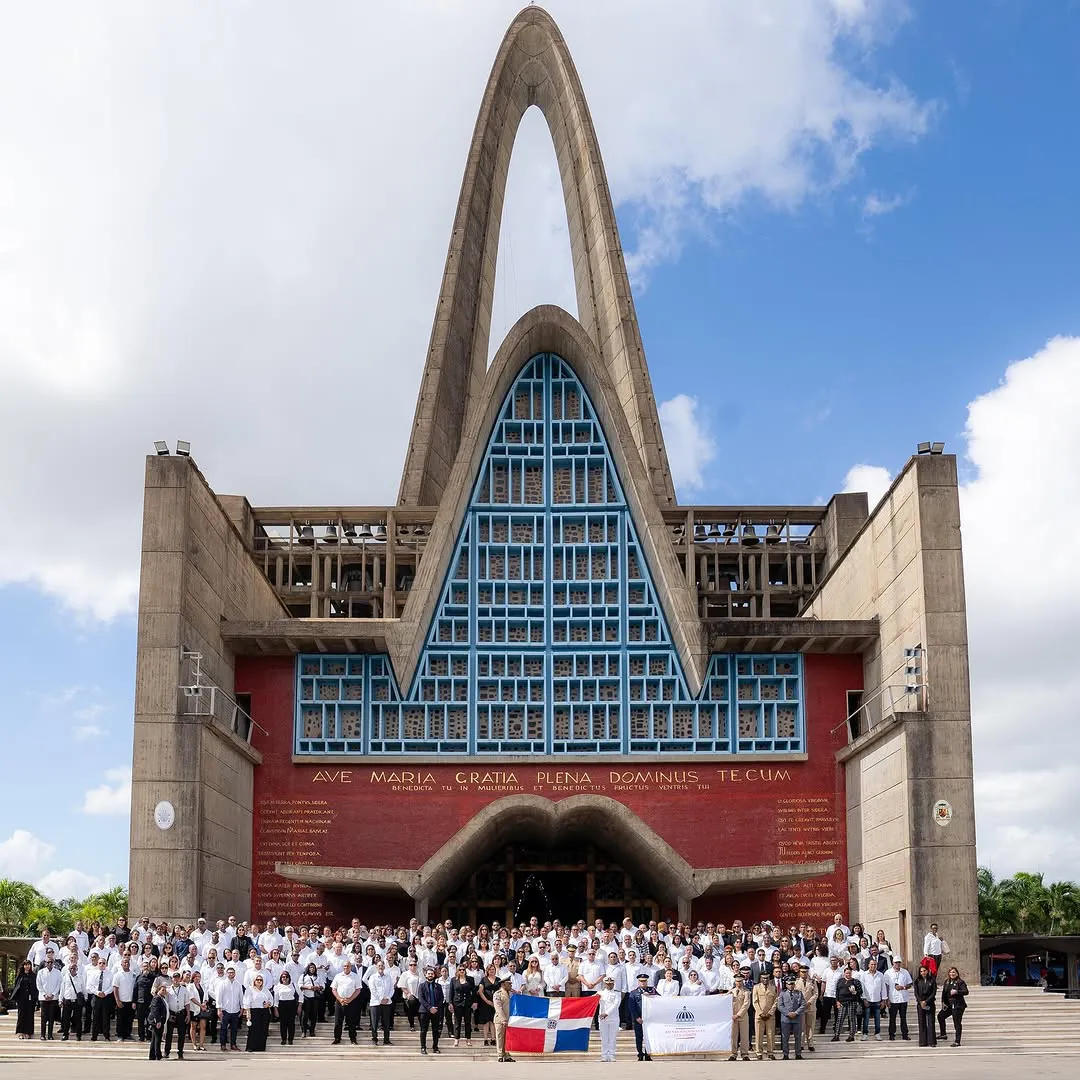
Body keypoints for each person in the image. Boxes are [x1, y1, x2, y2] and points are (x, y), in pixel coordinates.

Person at [331, 959, 361, 1044]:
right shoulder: (338, 976)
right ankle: (337, 1038)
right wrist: (340, 999)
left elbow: (358, 990)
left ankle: (353, 1039)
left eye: (348, 966)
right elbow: (334, 989)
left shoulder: (355, 976)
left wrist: (350, 999)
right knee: (338, 1022)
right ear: (342, 967)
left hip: (351, 1001)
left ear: (350, 967)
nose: (346, 967)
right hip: (339, 1001)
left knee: (351, 1021)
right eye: (344, 966)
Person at [418, 965, 446, 1055]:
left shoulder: (438, 986)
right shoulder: (421, 986)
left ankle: (435, 1047)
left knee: (435, 1030)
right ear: (426, 975)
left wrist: (436, 1008)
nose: (430, 975)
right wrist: (429, 1008)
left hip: (436, 1011)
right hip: (425, 1011)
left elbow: (441, 998)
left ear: (434, 975)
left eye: (432, 974)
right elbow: (421, 999)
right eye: (428, 974)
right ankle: (423, 1047)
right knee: (423, 1030)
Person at [366, 959, 395, 1045]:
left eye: (382, 966)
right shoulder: (373, 977)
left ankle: (386, 1039)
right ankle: (374, 1039)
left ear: (384, 967)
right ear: (376, 967)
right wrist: (380, 999)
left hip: (387, 1002)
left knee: (386, 1022)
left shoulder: (388, 977)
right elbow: (373, 990)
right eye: (379, 966)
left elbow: (391, 989)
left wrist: (387, 998)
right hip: (375, 1003)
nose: (381, 967)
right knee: (375, 1023)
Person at [628, 972, 655, 1061]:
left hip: (649, 1019)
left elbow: (659, 1000)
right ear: (638, 982)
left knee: (649, 1037)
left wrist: (651, 996)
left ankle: (648, 1054)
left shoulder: (652, 990)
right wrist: (636, 1018)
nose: (643, 983)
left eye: (644, 981)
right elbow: (631, 1007)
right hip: (639, 1019)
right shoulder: (633, 992)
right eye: (641, 981)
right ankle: (640, 1054)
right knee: (639, 1037)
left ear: (647, 982)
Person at [938, 966, 968, 1046]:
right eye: (951, 972)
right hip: (949, 1005)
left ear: (957, 973)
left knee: (957, 1022)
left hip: (958, 1005)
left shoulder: (960, 982)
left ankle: (957, 1041)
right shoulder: (947, 981)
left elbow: (966, 991)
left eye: (954, 972)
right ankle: (943, 1034)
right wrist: (943, 1002)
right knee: (940, 1016)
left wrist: (957, 992)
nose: (952, 974)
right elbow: (944, 993)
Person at [777, 974, 805, 1060]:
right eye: (789, 984)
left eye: (792, 984)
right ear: (786, 984)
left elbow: (803, 1004)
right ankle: (785, 1054)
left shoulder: (799, 993)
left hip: (796, 1018)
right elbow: (780, 1006)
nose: (791, 985)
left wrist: (796, 1013)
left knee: (798, 1037)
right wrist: (788, 1013)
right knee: (785, 1037)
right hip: (786, 1019)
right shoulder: (782, 993)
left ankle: (798, 1054)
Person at [243, 972, 274, 1051]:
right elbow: (247, 1001)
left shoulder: (265, 989)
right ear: (254, 981)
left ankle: (261, 1047)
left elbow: (271, 1000)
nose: (259, 981)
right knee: (253, 1030)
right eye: (257, 980)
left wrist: (269, 1004)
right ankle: (251, 1047)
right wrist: (248, 1012)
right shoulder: (250, 989)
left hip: (264, 1012)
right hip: (254, 1011)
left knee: (263, 1030)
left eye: (261, 980)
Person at [216, 965, 244, 1051]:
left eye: (232, 972)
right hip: (225, 1010)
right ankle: (223, 1045)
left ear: (235, 974)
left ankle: (233, 1044)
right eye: (229, 973)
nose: (231, 974)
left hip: (235, 1010)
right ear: (226, 973)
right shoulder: (222, 984)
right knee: (223, 1028)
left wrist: (242, 1008)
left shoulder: (238, 984)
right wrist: (219, 1009)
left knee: (234, 1029)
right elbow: (219, 997)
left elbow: (241, 997)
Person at [859, 956, 886, 1040]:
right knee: (866, 1018)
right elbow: (862, 987)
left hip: (877, 1000)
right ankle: (865, 1033)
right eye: (871, 964)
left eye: (874, 964)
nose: (873, 966)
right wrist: (864, 998)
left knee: (877, 1018)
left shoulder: (880, 975)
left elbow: (883, 987)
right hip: (867, 1000)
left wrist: (884, 1000)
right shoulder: (864, 975)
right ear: (868, 965)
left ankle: (877, 1033)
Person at [729, 965, 752, 1061]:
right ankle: (733, 1053)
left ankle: (745, 1054)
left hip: (742, 1016)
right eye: (737, 981)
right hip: (733, 1016)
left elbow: (746, 1004)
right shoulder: (731, 992)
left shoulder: (746, 992)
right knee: (733, 1036)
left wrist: (738, 1014)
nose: (738, 983)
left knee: (744, 1036)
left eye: (740, 981)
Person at [752, 971, 777, 1060]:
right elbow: (755, 1001)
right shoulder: (756, 987)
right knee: (759, 1034)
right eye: (763, 978)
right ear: (760, 978)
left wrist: (770, 1012)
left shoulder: (773, 988)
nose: (765, 979)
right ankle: (759, 1052)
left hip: (770, 1015)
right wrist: (760, 1012)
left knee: (770, 1034)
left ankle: (770, 1052)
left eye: (767, 978)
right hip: (759, 1015)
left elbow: (775, 1001)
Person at [36, 956, 62, 1040]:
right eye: (48, 962)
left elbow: (59, 984)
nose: (49, 964)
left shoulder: (58, 972)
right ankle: (42, 1035)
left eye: (51, 962)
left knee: (51, 1017)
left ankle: (50, 1035)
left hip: (53, 998)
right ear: (45, 963)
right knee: (43, 1017)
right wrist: (44, 994)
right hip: (43, 998)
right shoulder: (40, 972)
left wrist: (53, 994)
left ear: (53, 963)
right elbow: (39, 984)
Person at [449, 965, 476, 1046]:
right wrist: (450, 1003)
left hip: (467, 1003)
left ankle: (468, 1039)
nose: (462, 971)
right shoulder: (453, 980)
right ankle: (456, 1039)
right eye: (460, 970)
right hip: (457, 1003)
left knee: (468, 1022)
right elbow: (451, 992)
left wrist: (475, 1001)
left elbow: (474, 992)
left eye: (463, 969)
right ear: (457, 971)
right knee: (457, 1022)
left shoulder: (470, 979)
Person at [12, 959, 38, 1039]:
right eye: (26, 965)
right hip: (21, 999)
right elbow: (16, 987)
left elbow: (35, 988)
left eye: (29, 965)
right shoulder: (20, 975)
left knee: (29, 1016)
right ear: (23, 966)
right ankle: (20, 1032)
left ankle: (28, 1032)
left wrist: (35, 999)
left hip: (30, 999)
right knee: (21, 1015)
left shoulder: (33, 976)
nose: (27, 966)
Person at [59, 957, 84, 1041]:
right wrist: (60, 999)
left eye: (74, 968)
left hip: (76, 1001)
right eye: (71, 968)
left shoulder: (80, 977)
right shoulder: (65, 977)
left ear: (77, 969)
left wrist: (85, 997)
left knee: (78, 1019)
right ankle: (65, 1034)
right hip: (67, 1000)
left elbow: (83, 988)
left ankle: (78, 1035)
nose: (72, 970)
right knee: (66, 1019)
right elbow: (62, 989)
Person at [597, 975, 621, 1062]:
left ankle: (611, 1054)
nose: (609, 986)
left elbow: (616, 1004)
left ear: (613, 984)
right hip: (602, 1019)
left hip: (613, 1018)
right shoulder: (600, 993)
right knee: (604, 1037)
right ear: (604, 984)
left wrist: (606, 1013)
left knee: (612, 1037)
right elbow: (591, 1000)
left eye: (611, 984)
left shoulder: (617, 993)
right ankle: (604, 1055)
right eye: (607, 984)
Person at [833, 966, 861, 1041]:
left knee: (852, 1019)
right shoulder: (840, 981)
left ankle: (851, 1036)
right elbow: (837, 992)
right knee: (840, 1019)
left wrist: (854, 992)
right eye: (846, 973)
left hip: (852, 1002)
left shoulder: (855, 981)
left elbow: (860, 992)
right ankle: (836, 1035)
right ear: (844, 973)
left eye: (849, 973)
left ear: (851, 973)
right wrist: (837, 1001)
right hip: (842, 1003)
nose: (848, 974)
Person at [913, 963, 937, 1047]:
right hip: (920, 1004)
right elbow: (916, 993)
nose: (923, 973)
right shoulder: (917, 981)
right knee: (922, 1022)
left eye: (924, 971)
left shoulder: (932, 980)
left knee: (930, 1022)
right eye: (921, 971)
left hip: (929, 1003)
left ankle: (932, 1042)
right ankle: (923, 1042)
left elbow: (933, 993)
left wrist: (926, 1001)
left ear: (927, 971)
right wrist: (921, 1001)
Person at [273, 970, 299, 1045]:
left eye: (286, 977)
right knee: (283, 1024)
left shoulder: (293, 985)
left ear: (289, 978)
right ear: (281, 978)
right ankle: (283, 1039)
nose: (285, 978)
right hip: (282, 1005)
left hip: (291, 1004)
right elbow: (276, 998)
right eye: (283, 977)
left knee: (291, 1023)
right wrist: (275, 1008)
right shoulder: (278, 986)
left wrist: (299, 1005)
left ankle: (290, 1039)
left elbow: (300, 995)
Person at [476, 963, 499, 1046]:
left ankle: (493, 1039)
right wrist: (487, 1001)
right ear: (487, 971)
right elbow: (480, 991)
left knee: (493, 1021)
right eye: (490, 969)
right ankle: (485, 1039)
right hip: (485, 1003)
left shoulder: (498, 979)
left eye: (493, 969)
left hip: (495, 1003)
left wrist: (496, 1002)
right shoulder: (483, 979)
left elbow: (500, 991)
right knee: (486, 1022)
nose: (492, 971)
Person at [493, 975, 514, 1062]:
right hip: (500, 1020)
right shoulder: (497, 994)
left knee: (508, 1039)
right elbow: (498, 1008)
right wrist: (503, 1019)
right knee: (500, 1037)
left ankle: (507, 1055)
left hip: (509, 1019)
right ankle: (500, 1055)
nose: (510, 985)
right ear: (503, 984)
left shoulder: (511, 994)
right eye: (508, 984)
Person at [147, 984, 169, 1061]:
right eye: (162, 990)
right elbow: (155, 1010)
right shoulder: (156, 998)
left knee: (154, 1039)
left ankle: (152, 1055)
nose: (164, 991)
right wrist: (158, 1021)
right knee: (157, 1039)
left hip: (160, 1021)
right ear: (158, 990)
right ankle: (158, 1055)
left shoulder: (162, 998)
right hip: (157, 1022)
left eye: (165, 990)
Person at [299, 961, 321, 1038]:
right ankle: (304, 1031)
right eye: (311, 967)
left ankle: (312, 1031)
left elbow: (323, 986)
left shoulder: (318, 977)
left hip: (315, 997)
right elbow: (300, 986)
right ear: (308, 968)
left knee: (314, 1015)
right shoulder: (303, 976)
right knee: (305, 1015)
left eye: (313, 968)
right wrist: (308, 987)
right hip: (306, 997)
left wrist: (317, 987)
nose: (312, 969)